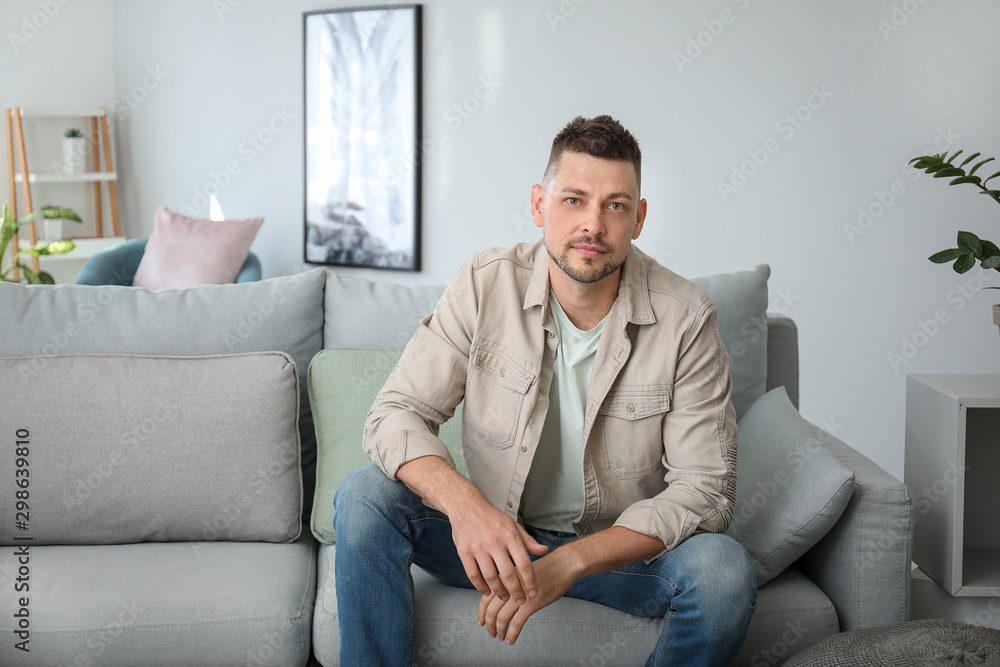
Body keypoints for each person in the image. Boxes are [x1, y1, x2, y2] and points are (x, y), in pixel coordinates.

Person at [333, 114, 758, 666]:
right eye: (574, 200)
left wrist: (572, 562)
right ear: (539, 205)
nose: (594, 226)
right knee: (365, 496)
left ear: (639, 218)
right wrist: (467, 509)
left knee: (723, 573)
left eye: (616, 205)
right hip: (494, 544)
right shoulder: (485, 283)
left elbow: (705, 492)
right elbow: (394, 416)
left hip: (615, 555)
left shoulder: (687, 319)